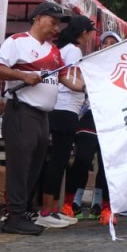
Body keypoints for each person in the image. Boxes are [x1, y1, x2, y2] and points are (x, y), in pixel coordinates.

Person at [0, 1, 81, 235]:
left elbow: (67, 80)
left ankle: (23, 211)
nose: (56, 28)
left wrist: (89, 87)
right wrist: (23, 76)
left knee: (34, 165)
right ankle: (14, 215)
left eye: (59, 24)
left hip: (43, 116)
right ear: (38, 19)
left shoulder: (54, 51)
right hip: (22, 110)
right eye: (52, 22)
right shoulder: (17, 42)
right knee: (20, 166)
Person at [38, 15, 96, 227]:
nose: (91, 37)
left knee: (58, 160)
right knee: (58, 160)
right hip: (66, 108)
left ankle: (53, 209)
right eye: (90, 33)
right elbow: (69, 78)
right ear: (84, 33)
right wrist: (88, 87)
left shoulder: (65, 49)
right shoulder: (73, 50)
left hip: (62, 107)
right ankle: (47, 210)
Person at [70, 31, 118, 224]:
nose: (108, 45)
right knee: (82, 159)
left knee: (107, 165)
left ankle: (102, 206)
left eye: (113, 42)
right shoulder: (90, 63)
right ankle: (72, 204)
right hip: (90, 116)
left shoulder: (126, 66)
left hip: (113, 119)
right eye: (105, 42)